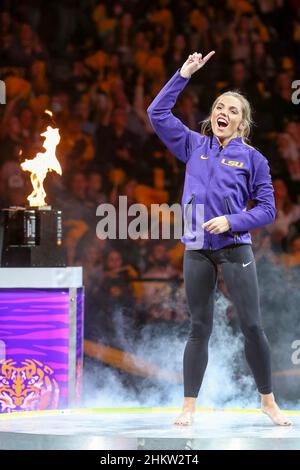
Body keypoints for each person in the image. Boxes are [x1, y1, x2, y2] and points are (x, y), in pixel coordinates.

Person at [147, 52, 292, 427]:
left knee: (252, 326)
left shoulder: (254, 160)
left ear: (242, 123)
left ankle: (267, 400)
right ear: (213, 115)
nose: (222, 112)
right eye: (218, 107)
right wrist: (182, 75)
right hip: (196, 250)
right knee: (199, 328)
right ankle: (189, 405)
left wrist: (231, 221)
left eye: (231, 109)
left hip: (235, 249)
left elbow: (266, 210)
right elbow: (157, 115)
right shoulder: (194, 145)